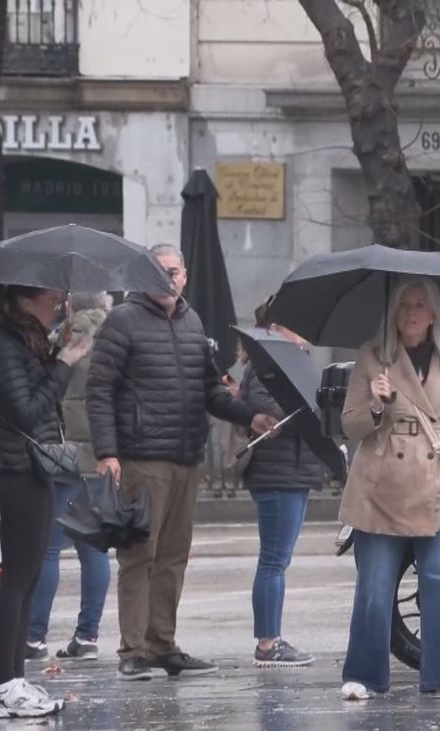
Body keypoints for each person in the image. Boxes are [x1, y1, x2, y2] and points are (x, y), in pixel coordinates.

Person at [86, 244, 277, 682]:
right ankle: (133, 650)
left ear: (185, 276)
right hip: (141, 457)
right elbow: (100, 390)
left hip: (186, 458)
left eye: (174, 271)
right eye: (160, 271)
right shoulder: (123, 321)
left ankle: (161, 645)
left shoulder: (192, 322)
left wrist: (251, 415)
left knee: (173, 556)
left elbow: (210, 390)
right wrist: (107, 452)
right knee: (139, 555)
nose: (168, 278)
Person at [337, 278, 440, 701]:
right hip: (380, 484)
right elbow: (350, 425)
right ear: (394, 313)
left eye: (420, 305)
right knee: (375, 588)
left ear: (434, 313)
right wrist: (376, 403)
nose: (412, 312)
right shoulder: (373, 355)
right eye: (404, 305)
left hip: (434, 484)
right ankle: (363, 676)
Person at [0, 284, 92, 718]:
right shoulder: (1, 347)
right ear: (23, 298)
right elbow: (27, 412)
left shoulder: (23, 342)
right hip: (17, 472)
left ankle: (16, 680)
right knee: (17, 580)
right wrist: (62, 365)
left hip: (34, 469)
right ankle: (5, 685)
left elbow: (40, 402)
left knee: (27, 582)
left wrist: (56, 354)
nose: (59, 303)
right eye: (50, 296)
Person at [237, 298, 328, 667]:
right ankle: (267, 643)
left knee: (279, 559)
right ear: (276, 329)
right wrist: (307, 404)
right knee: (273, 560)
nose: (305, 330)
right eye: (296, 323)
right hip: (276, 472)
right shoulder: (267, 367)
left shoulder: (296, 365)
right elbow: (267, 409)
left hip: (295, 471)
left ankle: (270, 639)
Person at [25, 291, 114, 662]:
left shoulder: (56, 341)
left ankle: (33, 637)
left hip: (61, 458)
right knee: (94, 550)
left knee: (48, 550)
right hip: (101, 457)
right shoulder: (117, 340)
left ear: (70, 306)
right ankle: (88, 635)